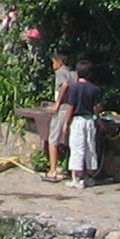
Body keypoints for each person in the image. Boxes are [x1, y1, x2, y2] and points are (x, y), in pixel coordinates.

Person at [42, 52, 81, 182]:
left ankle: (53, 170)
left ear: (60, 62)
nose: (52, 65)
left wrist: (57, 103)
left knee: (53, 139)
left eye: (53, 62)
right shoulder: (74, 73)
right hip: (73, 108)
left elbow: (64, 85)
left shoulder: (60, 72)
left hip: (63, 108)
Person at [65, 66, 105, 188]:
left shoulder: (74, 88)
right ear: (90, 74)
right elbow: (96, 108)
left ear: (77, 73)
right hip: (89, 121)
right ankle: (88, 176)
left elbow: (71, 106)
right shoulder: (94, 89)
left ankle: (76, 178)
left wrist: (66, 123)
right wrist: (99, 120)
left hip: (78, 120)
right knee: (90, 148)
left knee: (77, 148)